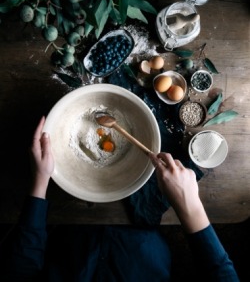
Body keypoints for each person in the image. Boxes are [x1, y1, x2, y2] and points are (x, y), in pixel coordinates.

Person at [2, 116, 240, 282]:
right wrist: (189, 204)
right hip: (142, 244)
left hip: (71, 238)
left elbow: (20, 271)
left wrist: (40, 179)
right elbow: (219, 273)